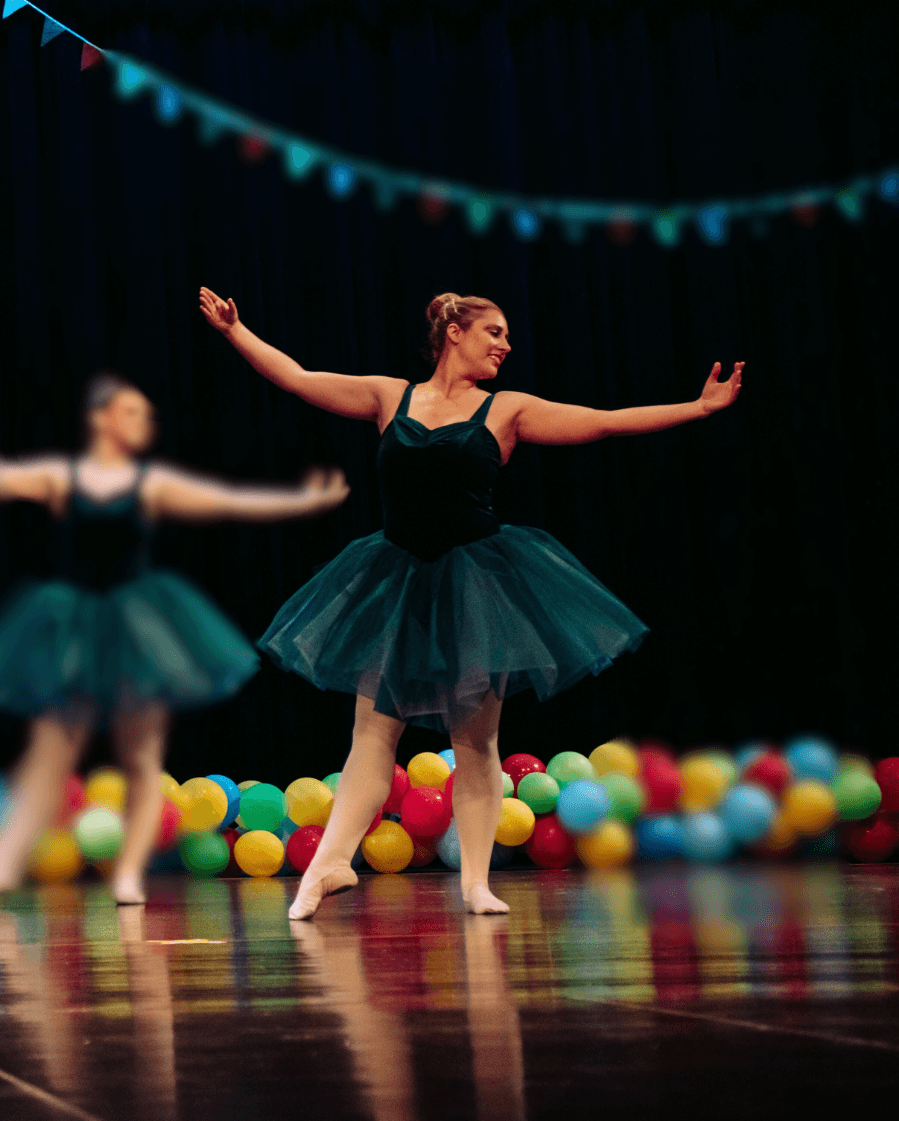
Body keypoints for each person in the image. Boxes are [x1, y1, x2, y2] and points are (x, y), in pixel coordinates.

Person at [199, 286, 743, 917]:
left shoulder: (507, 409)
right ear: (454, 332)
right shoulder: (389, 396)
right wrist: (235, 332)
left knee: (477, 744)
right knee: (370, 738)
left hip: (477, 591)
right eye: (495, 332)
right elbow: (298, 378)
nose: (505, 346)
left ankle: (475, 884)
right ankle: (327, 867)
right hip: (397, 586)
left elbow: (603, 420)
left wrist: (697, 409)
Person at [0, 373, 349, 908]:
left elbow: (228, 501)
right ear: (101, 418)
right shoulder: (62, 476)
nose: (143, 422)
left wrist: (303, 501)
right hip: (75, 626)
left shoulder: (149, 483)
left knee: (141, 758)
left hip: (138, 626)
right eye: (131, 412)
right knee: (47, 757)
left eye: (146, 414)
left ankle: (129, 873)